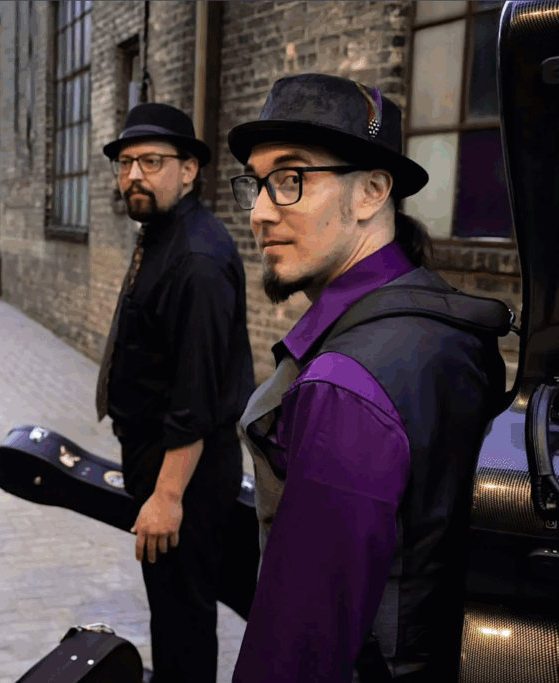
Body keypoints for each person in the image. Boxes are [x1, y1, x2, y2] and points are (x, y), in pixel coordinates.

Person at [227, 73, 508, 682]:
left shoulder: (345, 386)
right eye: (255, 183)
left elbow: (301, 646)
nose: (258, 212)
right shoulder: (436, 316)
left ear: (372, 191)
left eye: (290, 179)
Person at [96, 102, 257, 683]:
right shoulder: (161, 232)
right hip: (154, 451)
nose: (135, 174)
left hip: (183, 463)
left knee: (183, 612)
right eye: (127, 162)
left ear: (189, 170)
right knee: (170, 603)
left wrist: (166, 497)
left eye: (153, 162)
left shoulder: (197, 257)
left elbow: (197, 394)